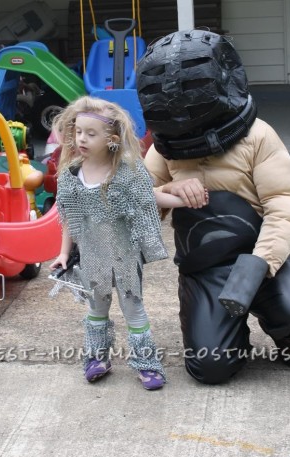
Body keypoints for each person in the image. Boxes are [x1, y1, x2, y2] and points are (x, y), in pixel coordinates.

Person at [136, 29, 290, 385]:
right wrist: (168, 188)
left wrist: (260, 265)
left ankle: (287, 333)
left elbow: (281, 205)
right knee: (210, 368)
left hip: (257, 256)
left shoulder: (258, 136)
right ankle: (227, 337)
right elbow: (135, 204)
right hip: (204, 264)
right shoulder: (164, 147)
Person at [49, 95, 184, 390]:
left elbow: (150, 197)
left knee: (133, 308)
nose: (82, 138)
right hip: (92, 256)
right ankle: (97, 358)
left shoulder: (127, 173)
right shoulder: (71, 176)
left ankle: (147, 364)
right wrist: (63, 253)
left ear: (111, 139)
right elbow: (70, 218)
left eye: (91, 134)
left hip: (124, 254)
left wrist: (183, 199)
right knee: (96, 309)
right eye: (79, 131)